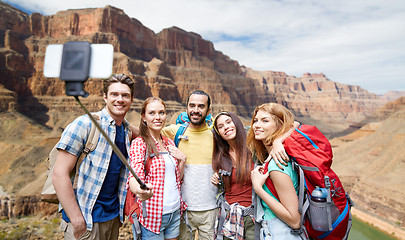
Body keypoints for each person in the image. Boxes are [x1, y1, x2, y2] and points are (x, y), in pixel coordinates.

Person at [52, 74, 138, 240]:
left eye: (125, 95)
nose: (120, 99)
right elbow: (59, 173)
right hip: (85, 219)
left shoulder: (127, 131)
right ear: (105, 96)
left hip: (112, 218)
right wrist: (77, 220)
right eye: (114, 94)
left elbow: (150, 134)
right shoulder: (84, 124)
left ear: (132, 99)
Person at [161, 90, 218, 240]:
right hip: (183, 208)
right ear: (186, 108)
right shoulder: (175, 131)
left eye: (201, 106)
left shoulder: (216, 135)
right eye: (192, 105)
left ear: (208, 110)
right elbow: (145, 133)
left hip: (211, 208)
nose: (196, 110)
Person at [128, 96, 187, 239]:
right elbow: (134, 176)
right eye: (152, 113)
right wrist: (139, 190)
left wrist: (182, 161)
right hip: (152, 216)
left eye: (161, 113)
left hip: (174, 212)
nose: (158, 117)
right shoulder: (140, 144)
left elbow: (176, 179)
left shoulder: (169, 143)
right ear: (143, 117)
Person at [248, 103, 301, 239]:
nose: (256, 125)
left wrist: (258, 188)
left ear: (279, 126)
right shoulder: (272, 158)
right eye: (255, 120)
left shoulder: (277, 166)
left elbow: (294, 221)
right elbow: (295, 123)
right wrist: (279, 140)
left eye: (265, 121)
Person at [210, 111, 255, 240]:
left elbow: (293, 125)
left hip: (252, 217)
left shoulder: (254, 149)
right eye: (221, 126)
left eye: (228, 122)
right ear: (219, 133)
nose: (226, 127)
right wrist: (217, 180)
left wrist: (278, 143)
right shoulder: (221, 157)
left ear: (236, 122)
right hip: (230, 217)